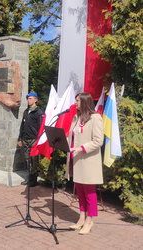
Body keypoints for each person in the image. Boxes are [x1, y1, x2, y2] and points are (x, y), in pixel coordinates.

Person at [66, 92, 104, 235]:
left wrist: (81, 148)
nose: (75, 103)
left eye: (77, 100)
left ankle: (89, 220)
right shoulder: (76, 117)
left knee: (89, 193)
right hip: (77, 161)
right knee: (80, 192)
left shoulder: (95, 118)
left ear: (85, 102)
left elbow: (98, 141)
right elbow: (73, 135)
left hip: (88, 161)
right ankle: (81, 218)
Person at [18, 92, 44, 187]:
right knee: (27, 160)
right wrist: (20, 138)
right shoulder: (26, 111)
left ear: (36, 100)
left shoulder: (39, 113)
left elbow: (40, 128)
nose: (29, 100)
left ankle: (34, 180)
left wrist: (38, 140)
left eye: (31, 98)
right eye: (28, 99)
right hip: (25, 139)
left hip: (33, 140)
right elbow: (22, 125)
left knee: (34, 161)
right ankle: (28, 179)